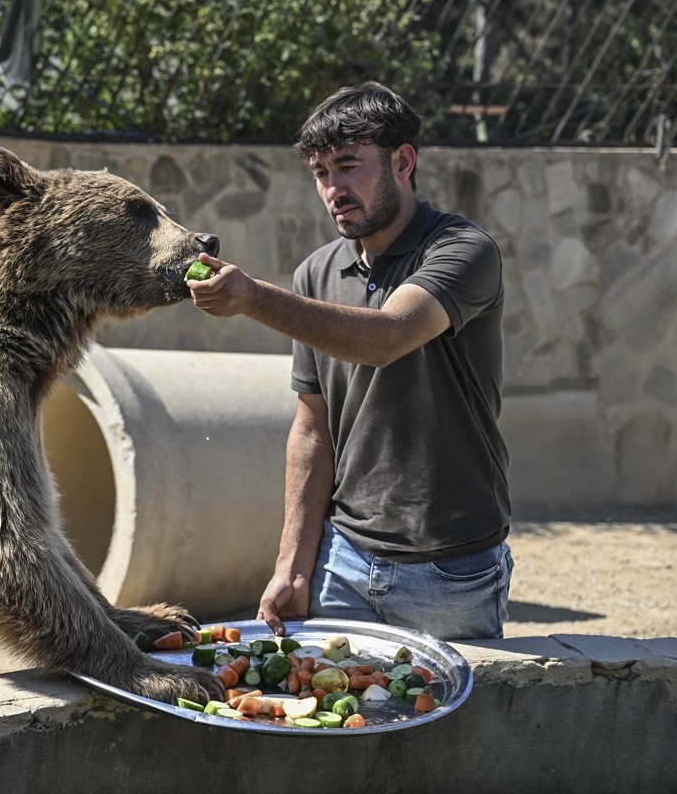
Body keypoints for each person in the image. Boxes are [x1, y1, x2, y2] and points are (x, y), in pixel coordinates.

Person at [187, 82, 513, 641]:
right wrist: (293, 566)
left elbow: (388, 337)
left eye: (347, 166)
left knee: (448, 703)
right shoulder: (316, 273)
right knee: (333, 697)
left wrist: (254, 299)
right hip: (342, 561)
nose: (332, 188)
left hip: (449, 569)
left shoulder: (463, 250)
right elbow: (312, 427)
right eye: (320, 172)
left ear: (403, 162)